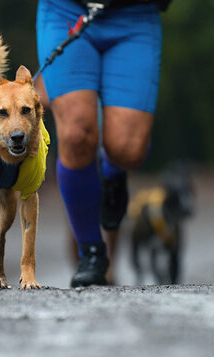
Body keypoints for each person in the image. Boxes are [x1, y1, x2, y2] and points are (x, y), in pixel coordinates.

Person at [35, 0, 170, 287]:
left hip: (134, 14)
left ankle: (112, 173)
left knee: (129, 150)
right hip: (66, 11)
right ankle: (92, 254)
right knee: (75, 135)